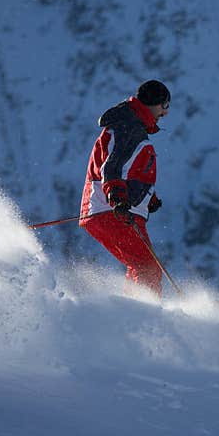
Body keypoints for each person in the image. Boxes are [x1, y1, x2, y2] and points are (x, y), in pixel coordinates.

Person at [79, 80, 170, 297]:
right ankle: (144, 318)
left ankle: (131, 312)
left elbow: (133, 172)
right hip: (111, 210)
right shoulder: (129, 127)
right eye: (165, 105)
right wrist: (117, 197)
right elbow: (112, 166)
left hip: (119, 211)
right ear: (154, 103)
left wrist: (148, 198)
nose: (165, 113)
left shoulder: (132, 126)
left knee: (141, 265)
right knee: (147, 268)